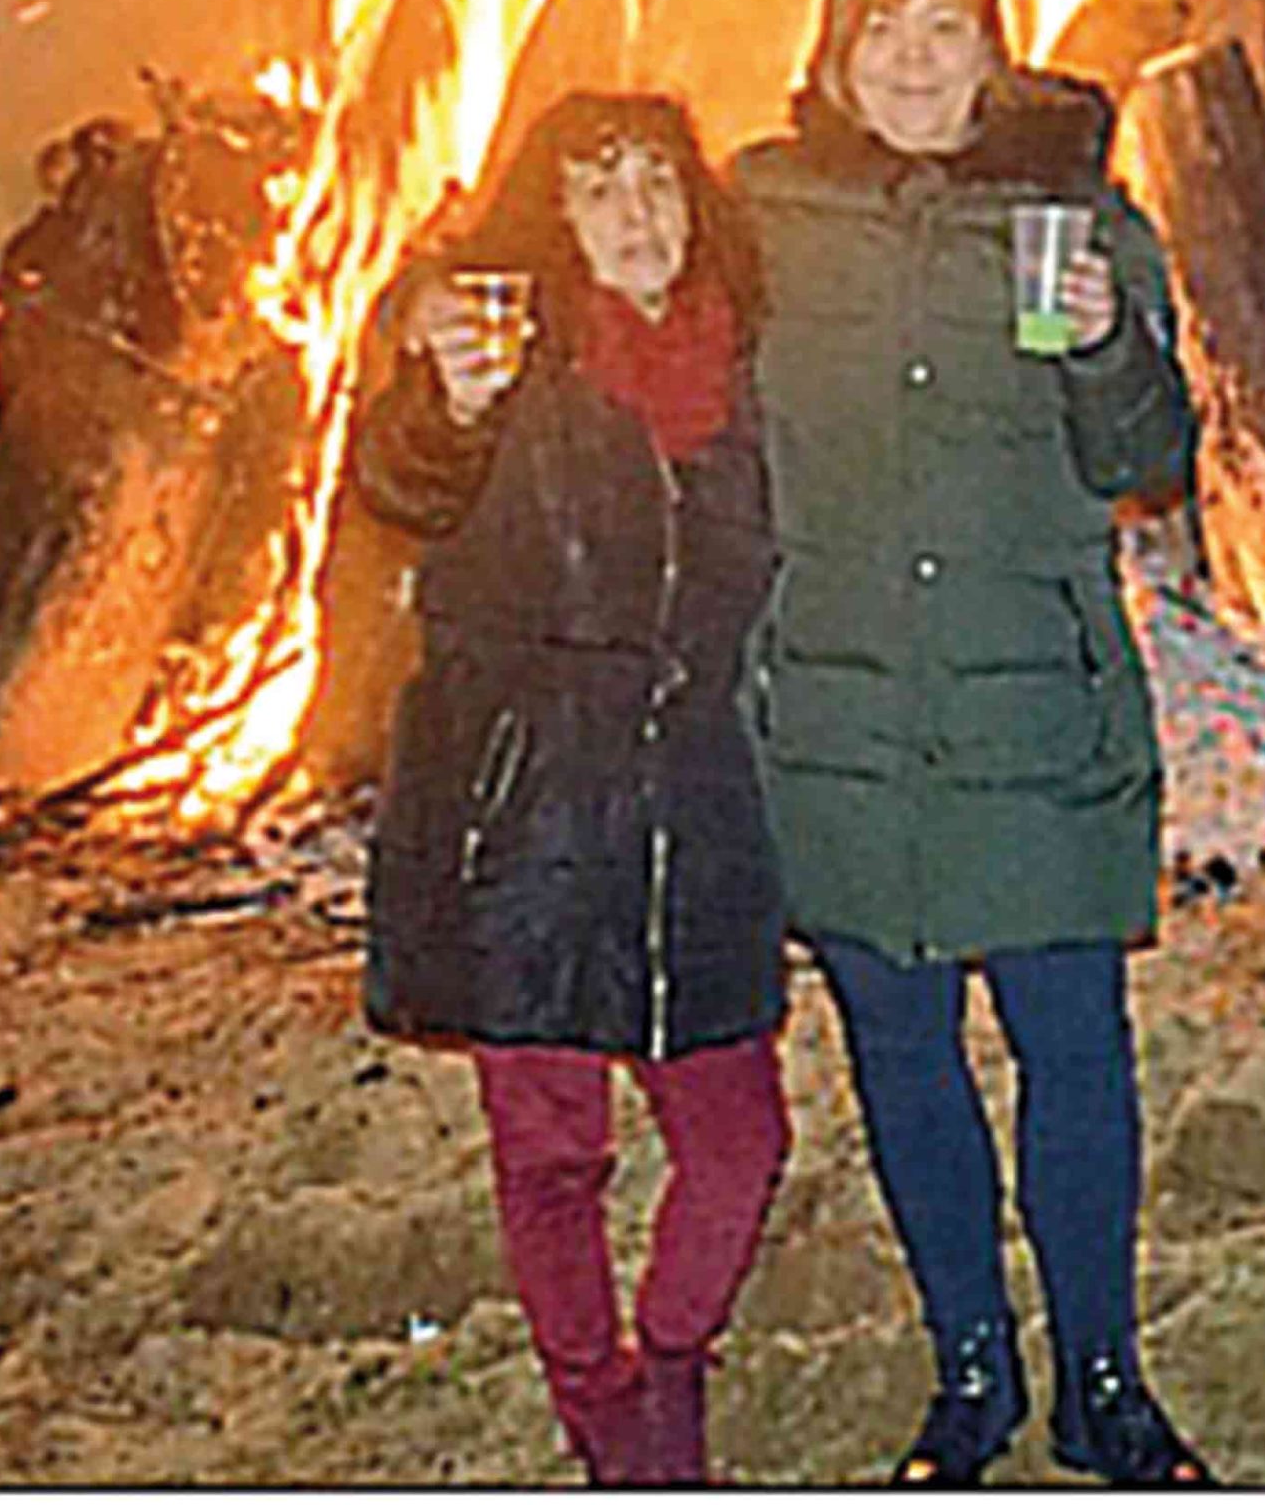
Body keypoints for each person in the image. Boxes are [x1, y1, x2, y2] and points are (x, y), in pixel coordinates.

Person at [731, 0, 1213, 1489]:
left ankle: (1097, 1378)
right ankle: (969, 1373)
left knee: (1074, 1052)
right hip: (844, 725)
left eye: (947, 28)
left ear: (993, 51)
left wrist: (1097, 345)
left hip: (1035, 717)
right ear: (831, 53)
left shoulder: (1073, 213)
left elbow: (1145, 451)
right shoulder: (765, 223)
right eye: (885, 29)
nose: (916, 60)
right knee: (904, 1059)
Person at [354, 91, 789, 1488]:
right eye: (596, 188)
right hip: (524, 816)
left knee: (738, 1141)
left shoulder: (747, 357)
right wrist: (441, 396)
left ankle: (668, 1362)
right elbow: (401, 474)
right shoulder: (501, 363)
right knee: (552, 1158)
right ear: (551, 221)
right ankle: (603, 1415)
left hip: (698, 808)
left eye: (655, 179)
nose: (636, 214)